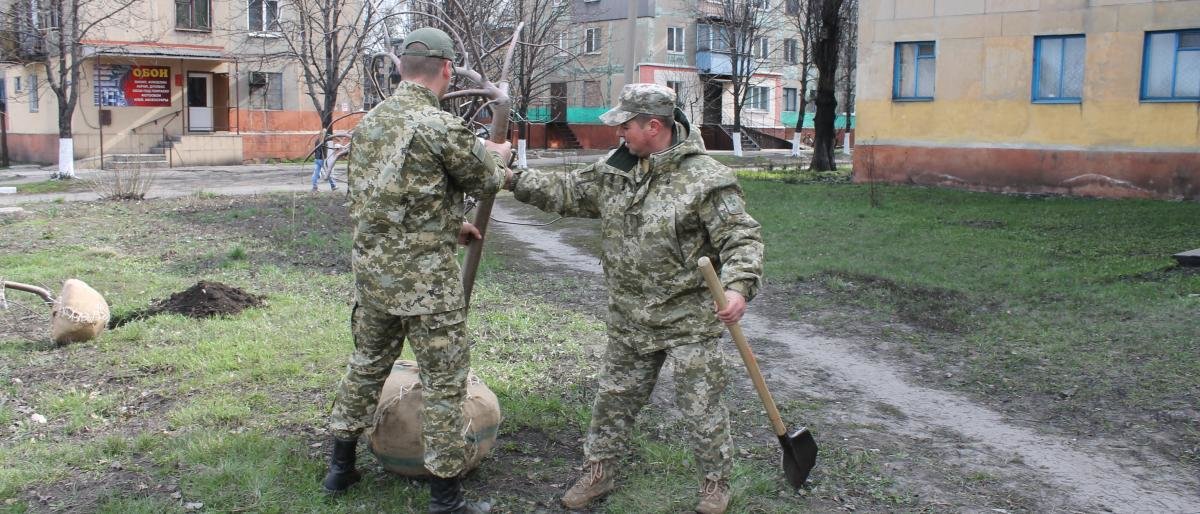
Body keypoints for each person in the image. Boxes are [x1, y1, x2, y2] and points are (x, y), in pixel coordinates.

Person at [503, 83, 763, 514]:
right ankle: (598, 473)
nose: (619, 133)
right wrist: (513, 178)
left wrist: (738, 287)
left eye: (626, 125)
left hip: (688, 319)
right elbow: (569, 191)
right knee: (614, 399)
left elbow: (741, 238)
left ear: (654, 125)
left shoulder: (707, 179)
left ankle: (715, 484)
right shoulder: (618, 169)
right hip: (630, 318)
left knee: (702, 406)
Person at [322, 26, 511, 514]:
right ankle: (445, 498)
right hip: (426, 286)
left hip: (375, 278)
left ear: (402, 68)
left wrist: (450, 226)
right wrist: (499, 156)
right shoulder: (439, 127)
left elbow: (387, 202)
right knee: (445, 383)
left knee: (366, 365)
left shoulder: (370, 124)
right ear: (447, 70)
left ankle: (340, 468)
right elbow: (488, 179)